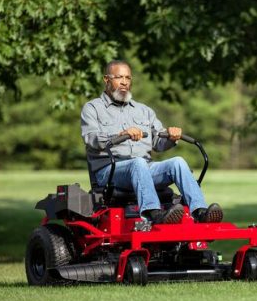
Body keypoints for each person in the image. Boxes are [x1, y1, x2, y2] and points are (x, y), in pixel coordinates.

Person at [80, 59, 223, 225]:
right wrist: (120, 134)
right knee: (138, 163)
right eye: (119, 77)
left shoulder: (144, 110)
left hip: (144, 168)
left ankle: (199, 212)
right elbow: (91, 138)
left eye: (128, 78)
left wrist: (171, 136)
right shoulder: (92, 108)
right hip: (110, 171)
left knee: (177, 162)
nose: (124, 82)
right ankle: (154, 214)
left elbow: (158, 142)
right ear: (106, 79)